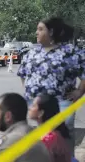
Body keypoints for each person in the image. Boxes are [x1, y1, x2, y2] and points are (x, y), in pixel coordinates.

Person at [17, 17, 85, 155]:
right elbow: (23, 73)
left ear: (52, 32)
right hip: (36, 104)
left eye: (41, 29)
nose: (36, 32)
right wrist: (29, 93)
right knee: (42, 141)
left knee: (63, 138)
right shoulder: (32, 52)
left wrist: (79, 91)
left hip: (62, 103)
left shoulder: (70, 52)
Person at [28, 93, 71, 162]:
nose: (29, 107)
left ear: (41, 113)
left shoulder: (50, 138)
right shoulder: (47, 133)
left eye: (33, 106)